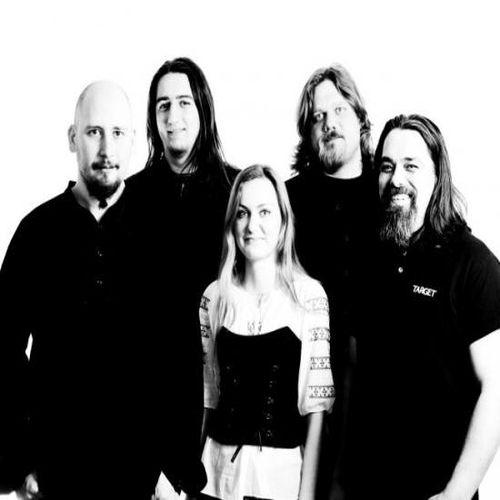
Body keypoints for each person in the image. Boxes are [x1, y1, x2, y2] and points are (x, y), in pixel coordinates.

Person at [0, 81, 168, 499]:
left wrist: (171, 470)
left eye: (117, 133)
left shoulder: (158, 233)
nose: (107, 148)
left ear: (133, 140)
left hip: (140, 475)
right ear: (73, 138)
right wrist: (21, 462)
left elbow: (179, 357)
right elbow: (1, 351)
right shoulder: (36, 232)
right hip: (57, 473)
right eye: (94, 132)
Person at [343, 114, 500, 500]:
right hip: (366, 488)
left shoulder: (473, 263)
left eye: (411, 166)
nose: (396, 178)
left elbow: (496, 389)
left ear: (437, 174)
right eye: (387, 167)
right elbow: (352, 376)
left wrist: (457, 492)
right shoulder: (367, 260)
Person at [124, 57, 238, 497]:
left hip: (223, 407)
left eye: (184, 102)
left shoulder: (236, 192)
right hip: (147, 407)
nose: (174, 116)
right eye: (163, 105)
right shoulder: (130, 198)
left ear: (203, 109)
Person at [197, 165, 334, 500]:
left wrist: (306, 496)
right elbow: (208, 398)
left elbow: (316, 411)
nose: (251, 225)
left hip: (279, 481)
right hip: (216, 478)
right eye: (242, 213)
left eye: (264, 212)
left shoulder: (309, 298)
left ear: (283, 222)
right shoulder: (214, 297)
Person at [286, 64, 378, 494]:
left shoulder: (388, 191)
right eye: (317, 117)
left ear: (360, 117)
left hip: (376, 390)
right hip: (302, 389)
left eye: (339, 110)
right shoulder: (288, 200)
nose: (329, 123)